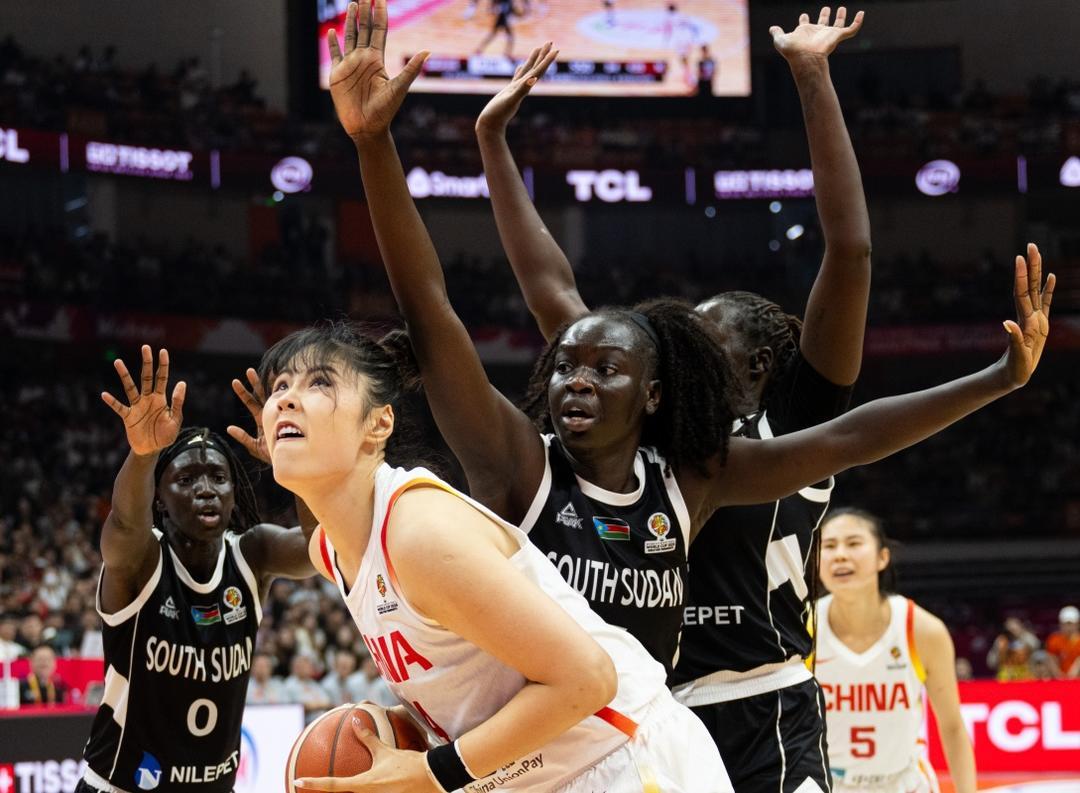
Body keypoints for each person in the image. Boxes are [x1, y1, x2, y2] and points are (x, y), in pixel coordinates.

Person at [478, 14, 867, 791]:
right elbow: (552, 290)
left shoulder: (794, 419)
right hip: (655, 713)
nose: (679, 349)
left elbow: (850, 251)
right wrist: (494, 145)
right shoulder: (649, 424)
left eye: (702, 339)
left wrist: (811, 76)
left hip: (766, 705)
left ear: (758, 364)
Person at [256, 320, 730, 791]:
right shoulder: (332, 550)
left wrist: (433, 772)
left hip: (626, 757)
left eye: (320, 383)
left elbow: (589, 679)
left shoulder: (418, 533)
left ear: (379, 423)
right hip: (545, 776)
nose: (286, 400)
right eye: (280, 387)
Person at [75, 346, 317, 793]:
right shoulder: (143, 560)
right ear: (160, 499)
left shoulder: (254, 553)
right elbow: (124, 525)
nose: (206, 489)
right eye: (186, 480)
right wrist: (143, 455)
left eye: (218, 478)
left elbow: (322, 547)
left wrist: (294, 468)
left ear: (233, 491)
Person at [815, 509, 975, 793]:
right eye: (829, 546)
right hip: (827, 783)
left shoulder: (923, 630)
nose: (840, 555)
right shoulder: (802, 629)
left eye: (853, 543)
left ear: (882, 557)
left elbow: (952, 727)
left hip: (904, 783)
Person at [986, 616, 1039, 681]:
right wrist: (997, 649)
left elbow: (1036, 646)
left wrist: (1020, 634)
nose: (1012, 631)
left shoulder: (1026, 637)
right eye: (1009, 629)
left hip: (1025, 676)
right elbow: (991, 663)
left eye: (1014, 628)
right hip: (1006, 677)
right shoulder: (1001, 640)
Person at [1046, 605, 1080, 677]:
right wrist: (1059, 676)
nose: (1068, 627)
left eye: (1070, 623)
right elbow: (1051, 660)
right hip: (1059, 679)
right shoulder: (1054, 639)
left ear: (1077, 623)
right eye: (1065, 624)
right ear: (1060, 623)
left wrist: (1072, 676)